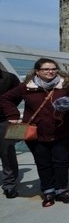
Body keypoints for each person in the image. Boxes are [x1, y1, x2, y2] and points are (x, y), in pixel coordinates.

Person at [0, 58, 69, 207]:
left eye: (53, 68)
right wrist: (13, 116)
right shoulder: (27, 87)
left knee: (61, 162)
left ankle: (62, 190)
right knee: (43, 163)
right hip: (36, 132)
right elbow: (6, 99)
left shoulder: (65, 84)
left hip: (62, 130)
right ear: (37, 71)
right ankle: (48, 191)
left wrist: (68, 106)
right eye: (46, 69)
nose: (50, 71)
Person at [0, 69, 21, 198]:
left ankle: (9, 184)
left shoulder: (9, 78)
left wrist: (7, 110)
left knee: (7, 152)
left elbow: (18, 96)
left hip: (3, 119)